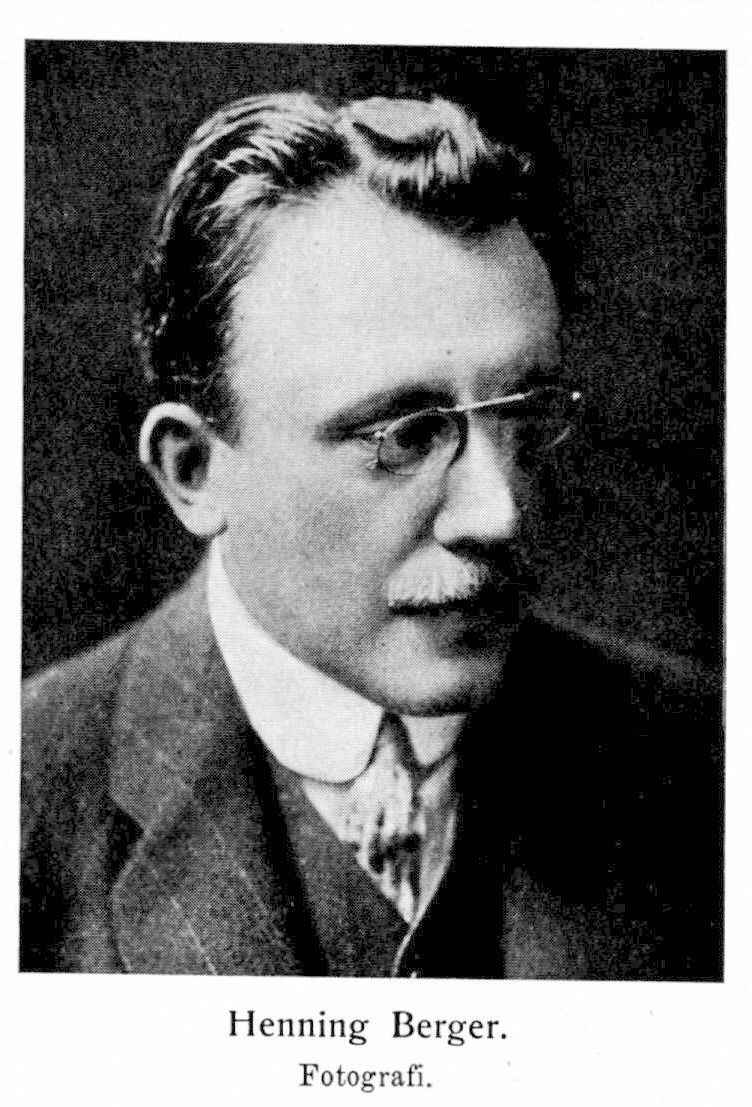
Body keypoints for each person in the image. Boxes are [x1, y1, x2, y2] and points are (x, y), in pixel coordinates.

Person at [20, 91, 721, 978]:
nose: (497, 512)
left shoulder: (705, 760)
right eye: (405, 434)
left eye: (525, 415)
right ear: (194, 470)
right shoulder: (27, 804)